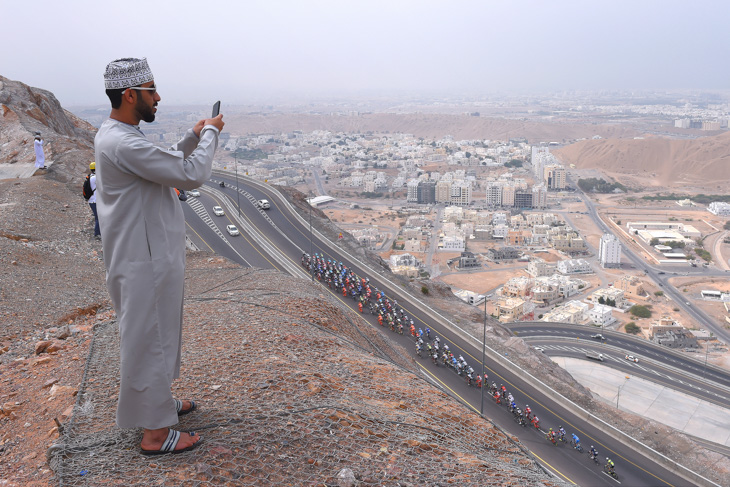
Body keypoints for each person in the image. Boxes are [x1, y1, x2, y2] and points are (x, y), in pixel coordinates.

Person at [95, 57, 224, 455]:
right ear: (131, 94)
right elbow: (190, 175)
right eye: (152, 91)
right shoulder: (122, 141)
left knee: (156, 335)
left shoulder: (119, 136)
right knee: (148, 339)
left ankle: (159, 405)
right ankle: (155, 433)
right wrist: (211, 137)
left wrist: (191, 135)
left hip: (146, 256)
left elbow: (165, 161)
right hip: (143, 260)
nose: (158, 97)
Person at [88, 162, 100, 239]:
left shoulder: (90, 177)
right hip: (94, 201)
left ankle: (98, 232)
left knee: (97, 217)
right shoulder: (95, 178)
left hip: (91, 200)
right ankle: (97, 233)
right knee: (98, 217)